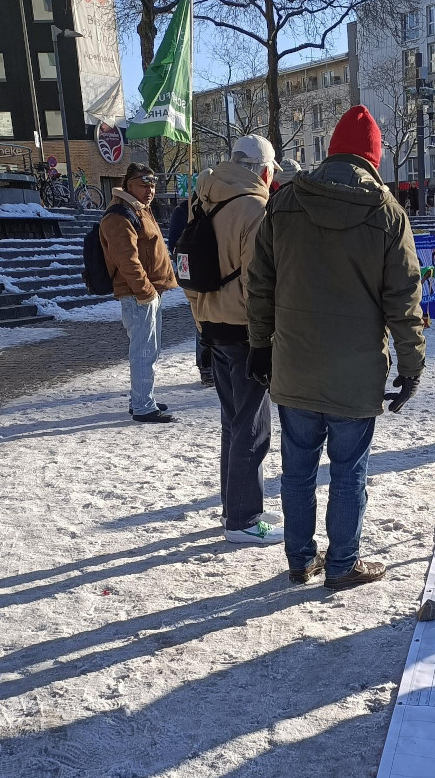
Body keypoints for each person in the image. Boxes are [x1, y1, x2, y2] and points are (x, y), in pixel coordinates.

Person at [246, 105, 426, 590]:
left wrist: (259, 346)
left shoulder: (283, 204)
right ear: (374, 158)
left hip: (295, 365)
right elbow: (404, 300)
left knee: (298, 469)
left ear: (331, 152)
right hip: (356, 372)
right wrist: (411, 367)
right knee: (349, 473)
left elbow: (259, 283)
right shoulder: (388, 214)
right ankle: (342, 564)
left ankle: (301, 560)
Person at [184, 135, 284, 547]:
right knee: (253, 427)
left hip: (211, 326)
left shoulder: (201, 198)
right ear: (263, 169)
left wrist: (202, 319)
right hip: (245, 332)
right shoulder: (255, 208)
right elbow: (256, 283)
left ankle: (234, 504)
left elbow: (187, 268)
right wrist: (266, 335)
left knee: (233, 422)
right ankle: (243, 518)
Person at [100, 162, 178, 423]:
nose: (150, 190)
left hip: (147, 291)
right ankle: (143, 406)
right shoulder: (120, 214)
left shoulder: (137, 209)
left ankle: (142, 398)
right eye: (144, 184)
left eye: (153, 184)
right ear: (129, 184)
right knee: (143, 351)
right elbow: (127, 260)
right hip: (138, 294)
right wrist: (145, 291)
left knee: (149, 350)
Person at [169, 196, 213, 386]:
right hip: (194, 274)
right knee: (200, 321)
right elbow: (175, 246)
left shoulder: (218, 207)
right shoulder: (183, 210)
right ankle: (206, 366)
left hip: (213, 272)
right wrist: (185, 274)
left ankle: (211, 366)